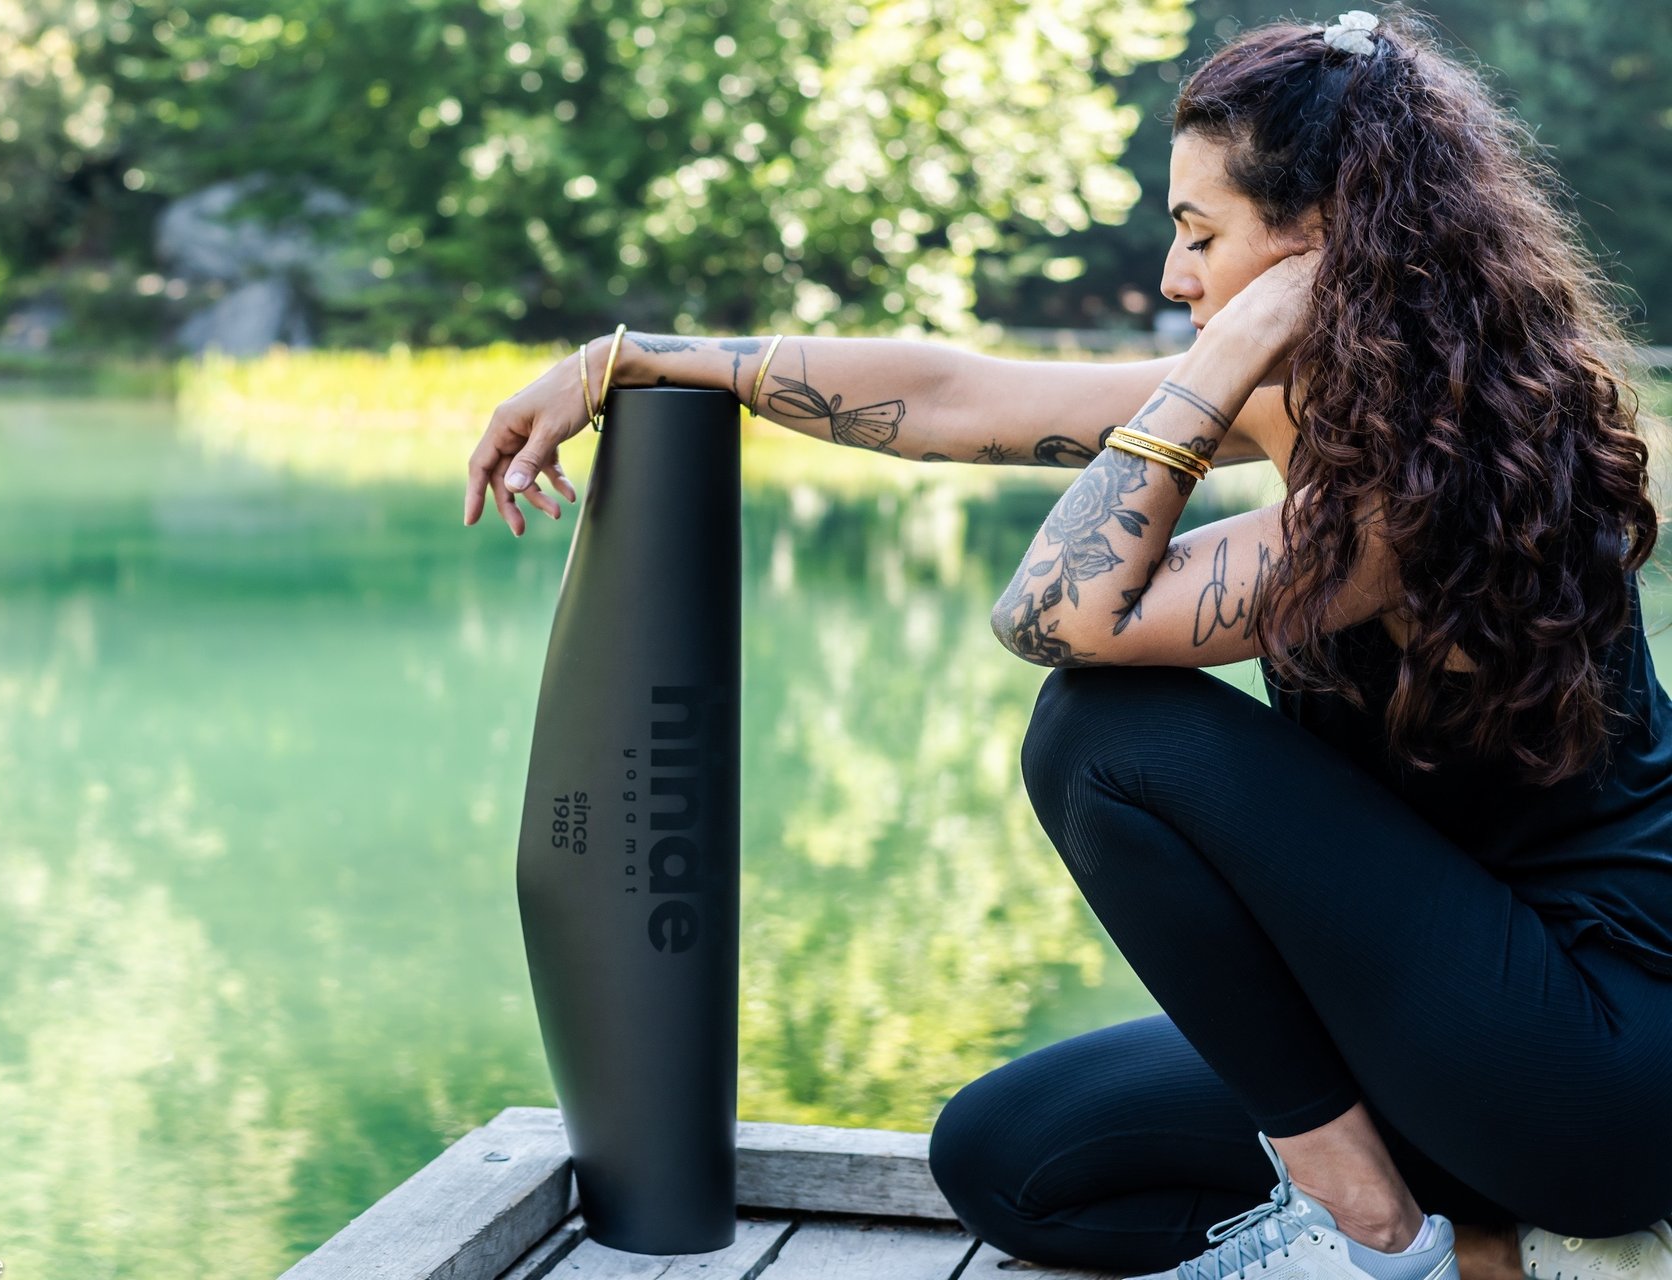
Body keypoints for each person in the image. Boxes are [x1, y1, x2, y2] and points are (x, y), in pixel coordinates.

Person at [464, 8, 1672, 1280]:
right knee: (1011, 1154)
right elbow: (965, 396)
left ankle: (1368, 1227)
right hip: (1428, 1012)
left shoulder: (1439, 481)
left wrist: (1233, 351)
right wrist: (643, 359)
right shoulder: (1321, 404)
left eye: (1200, 235)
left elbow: (1056, 617)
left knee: (1109, 731)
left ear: (1320, 245)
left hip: (1590, 1059)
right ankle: (1501, 1252)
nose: (1172, 276)